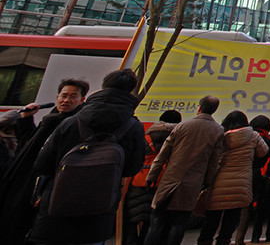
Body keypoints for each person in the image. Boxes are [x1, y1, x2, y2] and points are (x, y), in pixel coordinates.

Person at [31, 69, 145, 245]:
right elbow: (132, 168)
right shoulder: (134, 127)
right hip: (99, 211)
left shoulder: (71, 121)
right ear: (131, 90)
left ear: (104, 86)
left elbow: (42, 164)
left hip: (57, 207)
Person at [0, 78, 88, 245]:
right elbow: (29, 147)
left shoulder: (73, 125)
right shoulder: (51, 118)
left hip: (38, 188)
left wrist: (45, 191)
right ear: (57, 97)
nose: (66, 100)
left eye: (73, 97)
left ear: (82, 100)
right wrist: (26, 119)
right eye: (64, 96)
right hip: (22, 181)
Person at [144, 96, 225, 245]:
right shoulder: (218, 131)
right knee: (179, 223)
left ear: (199, 107)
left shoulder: (183, 126)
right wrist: (208, 181)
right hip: (193, 183)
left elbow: (163, 154)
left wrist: (151, 176)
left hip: (170, 179)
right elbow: (214, 161)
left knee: (157, 221)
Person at [195, 111, 269, 245]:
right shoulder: (253, 136)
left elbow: (211, 156)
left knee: (212, 217)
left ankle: (204, 241)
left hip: (219, 181)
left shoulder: (221, 135)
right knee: (231, 218)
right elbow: (264, 152)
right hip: (242, 181)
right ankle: (223, 241)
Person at [125, 110, 182, 245]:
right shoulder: (178, 140)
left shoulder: (145, 136)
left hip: (139, 179)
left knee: (133, 216)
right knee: (154, 221)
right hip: (162, 182)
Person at [234, 115, 270, 245]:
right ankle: (239, 239)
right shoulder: (263, 139)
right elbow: (265, 153)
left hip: (235, 173)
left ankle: (221, 238)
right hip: (253, 174)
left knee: (227, 209)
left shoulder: (236, 135)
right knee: (246, 208)